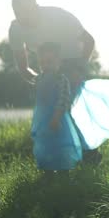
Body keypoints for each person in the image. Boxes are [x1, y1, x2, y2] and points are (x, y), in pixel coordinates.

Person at [8, 0, 100, 163]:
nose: (22, 17)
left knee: (72, 110)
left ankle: (90, 156)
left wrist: (79, 69)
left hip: (73, 60)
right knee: (50, 113)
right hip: (48, 64)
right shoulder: (16, 29)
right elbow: (23, 67)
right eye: (17, 13)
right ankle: (57, 159)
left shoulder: (59, 16)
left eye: (25, 11)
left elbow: (89, 41)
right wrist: (41, 83)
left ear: (35, 7)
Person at [30, 42, 82, 171]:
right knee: (44, 142)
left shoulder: (61, 79)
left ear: (58, 62)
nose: (46, 65)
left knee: (59, 144)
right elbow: (38, 99)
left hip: (57, 117)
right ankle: (46, 169)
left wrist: (56, 117)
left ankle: (63, 169)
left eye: (50, 62)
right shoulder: (38, 79)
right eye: (42, 62)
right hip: (41, 118)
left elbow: (63, 100)